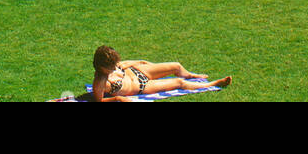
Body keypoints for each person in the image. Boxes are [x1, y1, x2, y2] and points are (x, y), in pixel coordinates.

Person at [90, 46, 230, 102]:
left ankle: (192, 75)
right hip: (142, 85)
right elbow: (99, 101)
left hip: (137, 72)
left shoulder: (115, 65)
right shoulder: (100, 82)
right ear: (102, 67)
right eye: (111, 66)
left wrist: (141, 62)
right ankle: (214, 84)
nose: (114, 67)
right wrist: (118, 99)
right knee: (179, 83)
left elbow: (123, 65)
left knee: (176, 66)